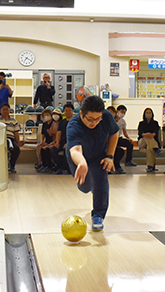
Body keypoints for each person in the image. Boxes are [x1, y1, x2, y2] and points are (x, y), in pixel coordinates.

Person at [66, 95, 119, 231]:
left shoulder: (106, 116)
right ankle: (94, 188)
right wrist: (82, 163)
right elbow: (75, 151)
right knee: (85, 187)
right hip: (79, 159)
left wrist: (110, 155)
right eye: (90, 119)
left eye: (97, 119)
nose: (94, 122)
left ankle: (98, 215)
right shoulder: (73, 125)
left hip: (99, 155)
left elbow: (114, 133)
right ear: (82, 113)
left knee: (101, 180)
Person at [0, 103, 21, 173]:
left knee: (16, 149)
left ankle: (12, 166)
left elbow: (16, 133)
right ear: (0, 111)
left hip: (10, 138)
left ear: (9, 111)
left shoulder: (14, 121)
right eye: (3, 109)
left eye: (7, 109)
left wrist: (18, 142)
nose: (5, 111)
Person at [138, 107, 162, 173]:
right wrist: (147, 135)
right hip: (142, 142)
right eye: (147, 113)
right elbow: (140, 133)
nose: (148, 114)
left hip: (153, 141)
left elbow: (156, 132)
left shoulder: (155, 123)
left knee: (149, 148)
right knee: (146, 137)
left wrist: (151, 135)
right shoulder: (141, 123)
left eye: (150, 113)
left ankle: (150, 166)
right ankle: (156, 148)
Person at [53, 103, 74, 174]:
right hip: (62, 142)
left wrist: (68, 143)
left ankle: (66, 169)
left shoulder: (75, 122)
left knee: (66, 149)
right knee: (53, 150)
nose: (67, 112)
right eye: (66, 110)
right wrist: (57, 142)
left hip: (72, 143)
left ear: (72, 111)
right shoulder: (62, 122)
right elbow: (59, 133)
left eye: (69, 110)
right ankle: (59, 167)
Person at [35, 109, 58, 173]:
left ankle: (49, 166)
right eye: (44, 115)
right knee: (41, 148)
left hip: (54, 141)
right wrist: (41, 142)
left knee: (46, 149)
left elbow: (56, 135)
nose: (46, 116)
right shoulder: (44, 124)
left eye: (47, 115)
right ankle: (43, 164)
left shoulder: (54, 123)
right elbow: (42, 134)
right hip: (47, 141)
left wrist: (49, 144)